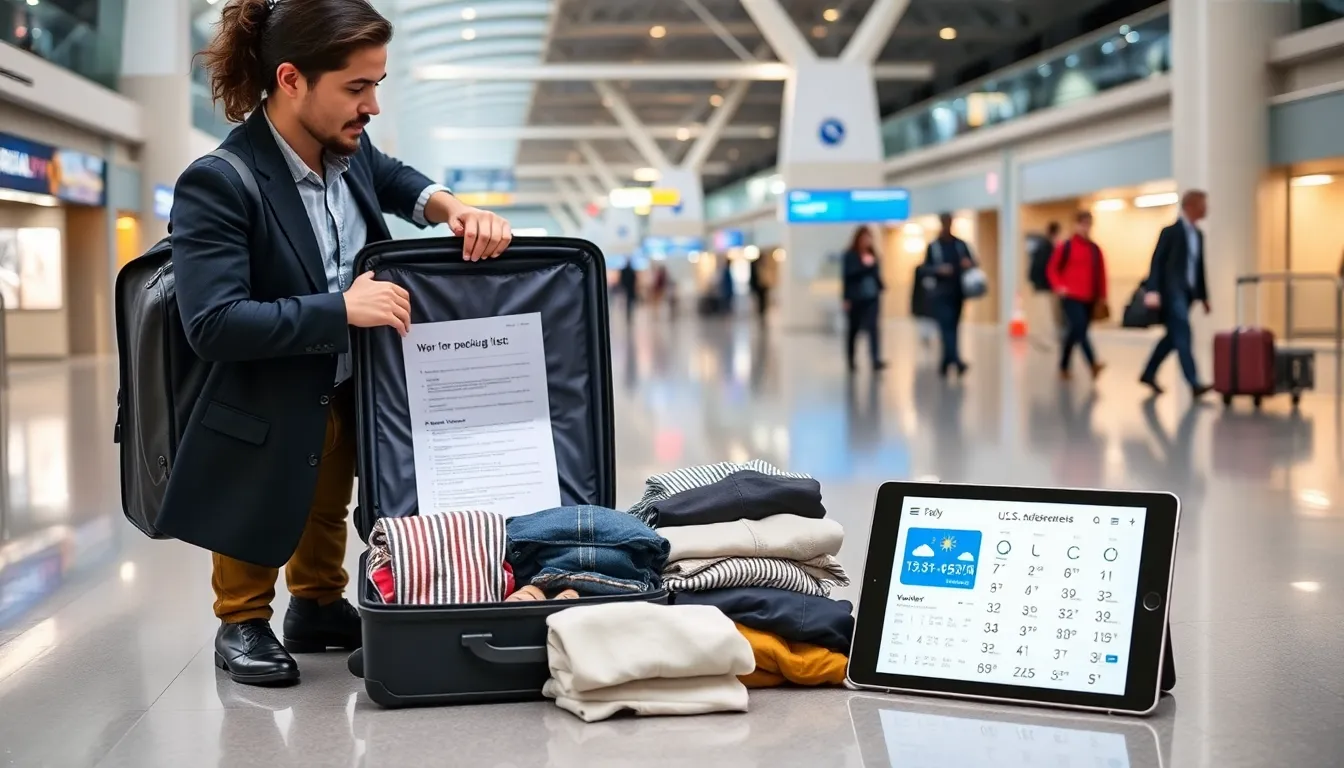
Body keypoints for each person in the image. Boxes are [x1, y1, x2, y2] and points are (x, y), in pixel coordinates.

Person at [164, 0, 513, 687]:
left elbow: (393, 176)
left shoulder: (346, 151)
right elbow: (212, 323)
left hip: (348, 382)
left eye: (378, 84)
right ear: (292, 80)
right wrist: (341, 310)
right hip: (264, 392)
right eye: (357, 87)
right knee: (264, 496)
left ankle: (318, 604)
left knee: (329, 492)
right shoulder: (221, 182)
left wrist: (452, 207)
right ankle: (242, 621)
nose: (372, 105)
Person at [1139, 190, 1212, 397]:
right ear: (1190, 206)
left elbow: (1199, 268)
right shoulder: (1170, 232)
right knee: (1184, 334)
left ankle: (1148, 372)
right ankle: (1194, 382)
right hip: (1172, 293)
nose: (1207, 208)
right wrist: (1152, 290)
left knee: (1173, 337)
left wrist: (1204, 297)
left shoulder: (1198, 235)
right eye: (1203, 204)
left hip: (1188, 294)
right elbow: (1157, 262)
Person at [1047, 211, 1108, 381]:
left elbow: (1101, 274)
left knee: (1075, 332)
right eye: (1082, 224)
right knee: (1079, 327)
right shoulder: (1066, 247)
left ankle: (1064, 365)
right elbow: (1052, 269)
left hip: (1089, 297)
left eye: (1088, 224)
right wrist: (1059, 286)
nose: (1085, 228)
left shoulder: (1095, 250)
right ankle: (1093, 363)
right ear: (1076, 225)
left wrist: (1103, 296)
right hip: (1071, 296)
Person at [919, 213, 974, 378]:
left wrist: (967, 264)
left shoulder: (960, 245)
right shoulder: (934, 247)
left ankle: (945, 361)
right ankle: (956, 361)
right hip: (941, 294)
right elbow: (924, 268)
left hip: (958, 292)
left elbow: (973, 262)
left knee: (954, 327)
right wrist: (938, 270)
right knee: (946, 326)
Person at [841, 226, 887, 371]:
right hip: (855, 297)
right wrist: (846, 298)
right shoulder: (850, 255)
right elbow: (847, 277)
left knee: (873, 328)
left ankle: (875, 359)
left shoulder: (872, 254)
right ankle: (851, 359)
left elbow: (875, 273)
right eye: (864, 237)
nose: (867, 240)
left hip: (871, 296)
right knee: (853, 330)